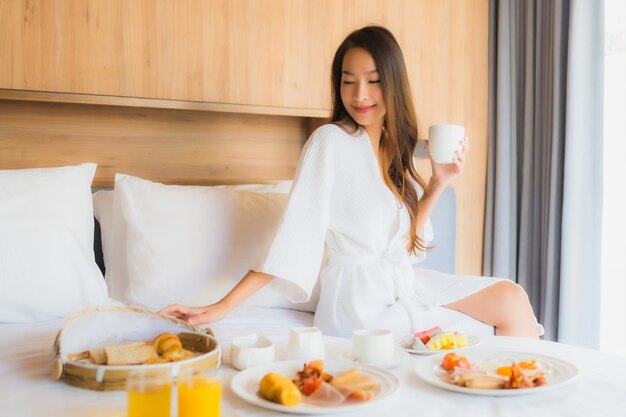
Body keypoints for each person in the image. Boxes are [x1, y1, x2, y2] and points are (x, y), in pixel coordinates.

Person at [161, 26, 542, 339]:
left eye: (373, 81)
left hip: (397, 285)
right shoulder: (330, 142)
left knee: (510, 298)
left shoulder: (395, 150)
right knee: (491, 325)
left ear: (393, 83)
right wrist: (223, 305)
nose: (359, 95)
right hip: (358, 303)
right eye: (349, 81)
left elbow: (404, 243)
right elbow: (293, 234)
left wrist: (438, 183)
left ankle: (520, 390)